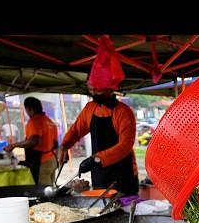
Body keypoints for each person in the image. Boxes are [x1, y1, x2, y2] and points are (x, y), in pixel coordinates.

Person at [58, 36, 139, 195]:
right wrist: (64, 145)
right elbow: (76, 130)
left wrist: (97, 158)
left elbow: (125, 146)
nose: (94, 93)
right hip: (100, 175)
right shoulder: (90, 108)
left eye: (98, 90)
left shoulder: (123, 112)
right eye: (92, 90)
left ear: (110, 89)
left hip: (124, 175)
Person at [4, 97, 58, 185]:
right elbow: (55, 144)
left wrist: (13, 145)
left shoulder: (34, 121)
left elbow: (34, 141)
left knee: (43, 191)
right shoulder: (49, 122)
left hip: (41, 163)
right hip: (52, 160)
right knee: (50, 188)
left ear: (29, 109)